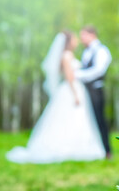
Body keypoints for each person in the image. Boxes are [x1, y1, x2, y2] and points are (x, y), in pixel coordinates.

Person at [6, 31, 105, 163]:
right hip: (72, 89)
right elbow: (70, 76)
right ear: (69, 42)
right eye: (75, 38)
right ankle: (72, 147)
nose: (77, 41)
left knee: (72, 118)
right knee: (72, 119)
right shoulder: (67, 55)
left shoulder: (66, 55)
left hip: (71, 89)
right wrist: (75, 94)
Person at [75, 26, 112, 159]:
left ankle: (107, 150)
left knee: (99, 119)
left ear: (92, 35)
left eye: (83, 36)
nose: (81, 39)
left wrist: (78, 75)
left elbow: (98, 70)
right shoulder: (86, 52)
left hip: (96, 90)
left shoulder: (102, 50)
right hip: (84, 91)